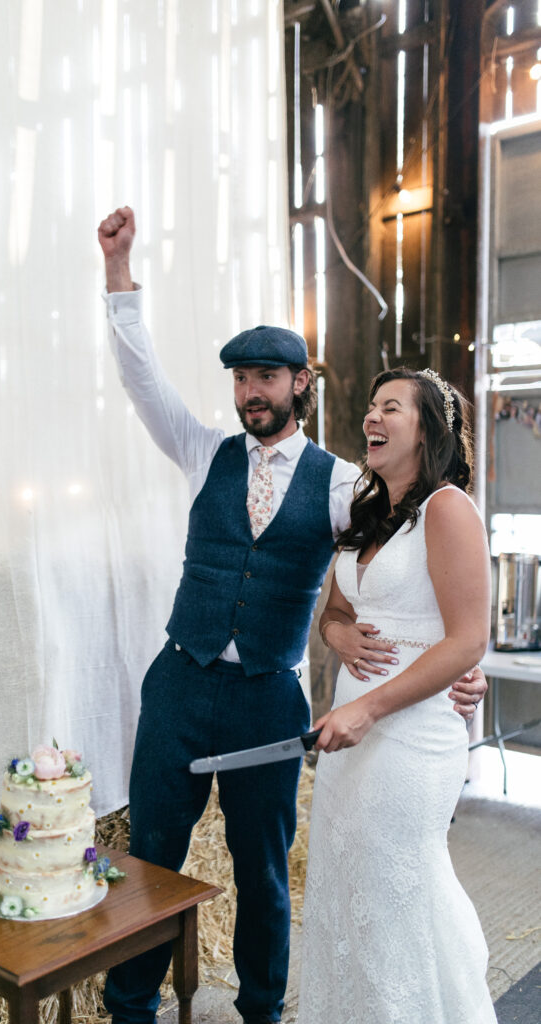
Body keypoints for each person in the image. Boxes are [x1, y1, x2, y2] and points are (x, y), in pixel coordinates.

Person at [97, 206, 487, 1024]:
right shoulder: (201, 448)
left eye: (265, 379)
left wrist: (463, 658)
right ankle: (129, 1008)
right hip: (178, 681)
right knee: (148, 859)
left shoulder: (349, 484)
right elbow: (140, 377)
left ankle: (262, 1011)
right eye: (240, 380)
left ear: (299, 384)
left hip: (266, 698)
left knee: (263, 871)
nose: (249, 394)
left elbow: (399, 568)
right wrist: (119, 272)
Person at [298, 367, 497, 1023]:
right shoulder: (366, 509)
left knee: (397, 891)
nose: (371, 418)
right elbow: (332, 609)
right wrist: (337, 634)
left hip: (408, 735)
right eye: (370, 405)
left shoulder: (447, 510)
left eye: (391, 408)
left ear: (427, 429)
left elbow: (467, 640)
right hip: (349, 735)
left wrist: (367, 706)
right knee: (346, 886)